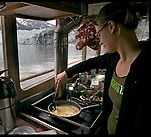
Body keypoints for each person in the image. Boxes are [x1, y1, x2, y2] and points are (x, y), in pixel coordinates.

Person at [55, 2, 150, 136]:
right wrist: (67, 73)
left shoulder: (145, 70)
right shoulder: (114, 58)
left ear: (111, 26)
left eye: (99, 34)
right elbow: (92, 62)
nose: (99, 41)